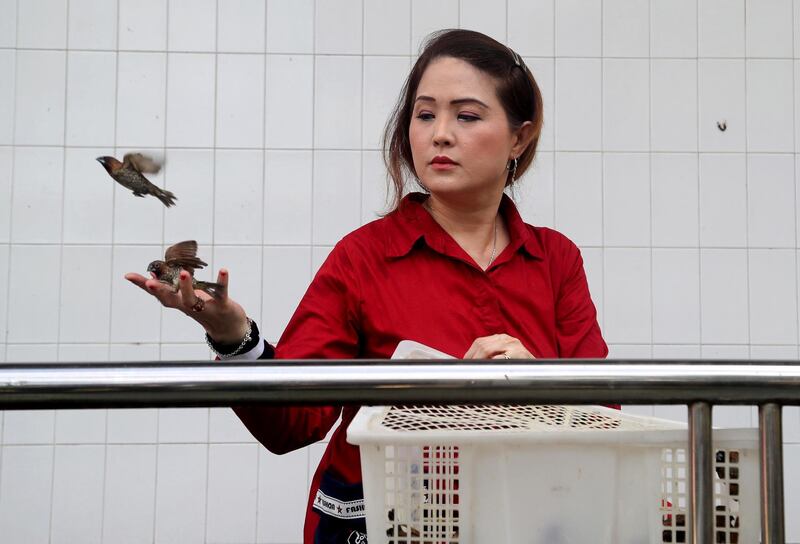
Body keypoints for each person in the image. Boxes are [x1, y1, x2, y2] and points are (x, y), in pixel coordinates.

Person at [126, 29, 607, 544]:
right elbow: (294, 423)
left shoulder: (555, 259)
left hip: (522, 521)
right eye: (425, 115)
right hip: (383, 525)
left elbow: (604, 420)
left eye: (466, 116)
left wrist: (536, 386)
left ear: (519, 137)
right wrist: (233, 337)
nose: (440, 134)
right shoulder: (363, 257)